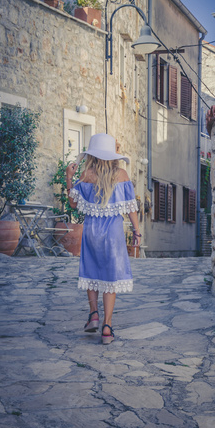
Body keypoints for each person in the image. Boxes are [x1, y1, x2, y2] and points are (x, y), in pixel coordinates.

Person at [66, 133, 141, 345]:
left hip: (91, 231)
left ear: (93, 155)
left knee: (91, 271)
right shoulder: (122, 175)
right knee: (111, 278)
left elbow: (73, 204)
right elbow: (130, 208)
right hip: (114, 234)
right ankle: (107, 328)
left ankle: (94, 314)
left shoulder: (86, 175)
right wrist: (136, 231)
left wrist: (68, 178)